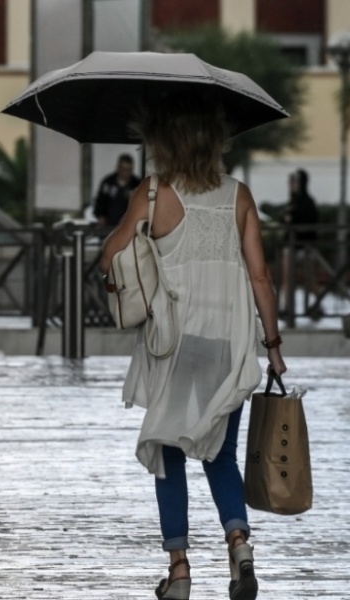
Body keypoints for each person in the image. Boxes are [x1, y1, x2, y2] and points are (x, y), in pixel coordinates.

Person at [100, 94, 286, 600]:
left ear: (163, 141)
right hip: (230, 343)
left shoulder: (154, 192)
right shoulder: (238, 194)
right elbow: (261, 277)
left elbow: (110, 256)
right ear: (214, 141)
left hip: (174, 342)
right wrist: (271, 346)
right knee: (221, 455)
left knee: (167, 452)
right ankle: (239, 544)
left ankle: (179, 569)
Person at [279, 169, 320, 314]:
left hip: (305, 246)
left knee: (309, 278)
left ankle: (318, 305)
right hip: (291, 245)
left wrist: (292, 219)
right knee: (286, 278)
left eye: (295, 182)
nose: (292, 185)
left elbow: (309, 221)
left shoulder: (308, 202)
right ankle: (287, 308)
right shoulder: (292, 201)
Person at [93, 153, 140, 228]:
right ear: (118, 167)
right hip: (108, 224)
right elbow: (100, 200)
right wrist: (100, 215)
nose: (126, 173)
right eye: (123, 169)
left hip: (128, 225)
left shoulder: (136, 184)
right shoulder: (108, 182)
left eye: (129, 170)